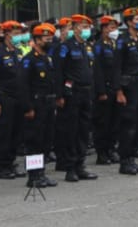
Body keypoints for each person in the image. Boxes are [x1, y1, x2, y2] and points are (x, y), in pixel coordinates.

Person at [53, 14, 99, 182]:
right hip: (72, 93)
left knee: (84, 130)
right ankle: (70, 167)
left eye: (88, 26)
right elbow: (58, 72)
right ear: (75, 27)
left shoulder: (86, 47)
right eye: (83, 26)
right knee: (71, 130)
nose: (86, 29)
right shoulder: (66, 47)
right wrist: (59, 95)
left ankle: (81, 165)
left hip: (86, 92)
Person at [19, 23, 59, 188]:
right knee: (34, 142)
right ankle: (33, 176)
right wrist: (28, 108)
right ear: (36, 39)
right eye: (45, 38)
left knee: (45, 141)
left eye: (50, 37)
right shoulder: (29, 60)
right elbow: (23, 86)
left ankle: (41, 173)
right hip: (35, 106)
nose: (49, 40)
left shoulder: (47, 58)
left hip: (48, 104)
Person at [112, 8, 138, 173]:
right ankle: (125, 160)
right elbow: (116, 68)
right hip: (127, 87)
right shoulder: (122, 41)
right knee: (128, 125)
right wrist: (119, 91)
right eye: (137, 19)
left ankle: (132, 158)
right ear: (129, 22)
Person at [0, 22, 25, 180]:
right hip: (5, 98)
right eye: (15, 32)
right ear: (7, 34)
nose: (18, 35)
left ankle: (11, 163)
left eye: (19, 32)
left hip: (18, 97)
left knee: (17, 133)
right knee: (5, 133)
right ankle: (3, 166)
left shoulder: (17, 52)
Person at [93, 16, 120, 165]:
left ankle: (111, 149)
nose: (113, 31)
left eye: (115, 28)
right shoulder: (99, 46)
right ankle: (102, 152)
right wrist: (101, 91)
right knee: (103, 122)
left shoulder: (113, 45)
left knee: (114, 122)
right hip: (105, 89)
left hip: (115, 89)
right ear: (103, 29)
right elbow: (98, 71)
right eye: (111, 28)